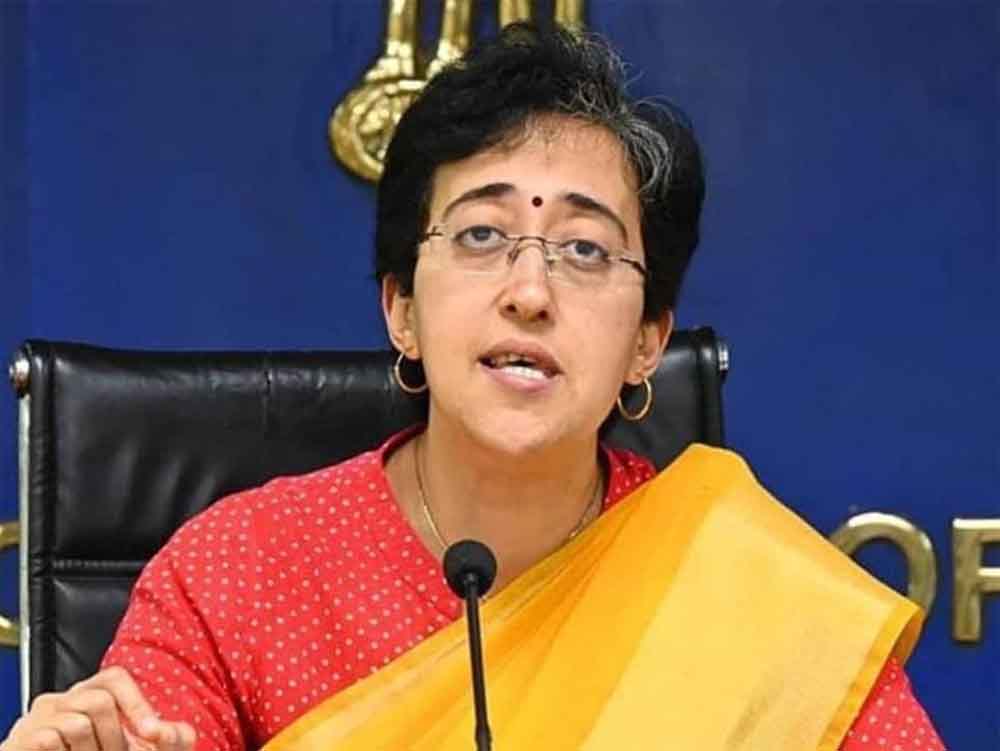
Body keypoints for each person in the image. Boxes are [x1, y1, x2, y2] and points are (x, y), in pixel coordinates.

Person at [1, 23, 945, 751]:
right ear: (402, 309)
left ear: (647, 343)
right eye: (482, 235)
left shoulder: (751, 592)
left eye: (585, 249)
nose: (529, 292)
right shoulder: (239, 575)